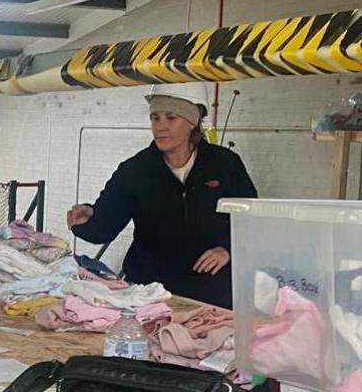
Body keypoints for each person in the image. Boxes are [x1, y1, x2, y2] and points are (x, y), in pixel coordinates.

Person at [67, 89, 258, 308]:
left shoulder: (225, 164)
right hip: (151, 291)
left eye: (171, 117)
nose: (160, 126)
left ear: (192, 121)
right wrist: (86, 220)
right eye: (155, 118)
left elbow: (250, 217)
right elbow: (105, 226)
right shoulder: (135, 170)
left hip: (212, 291)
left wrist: (227, 249)